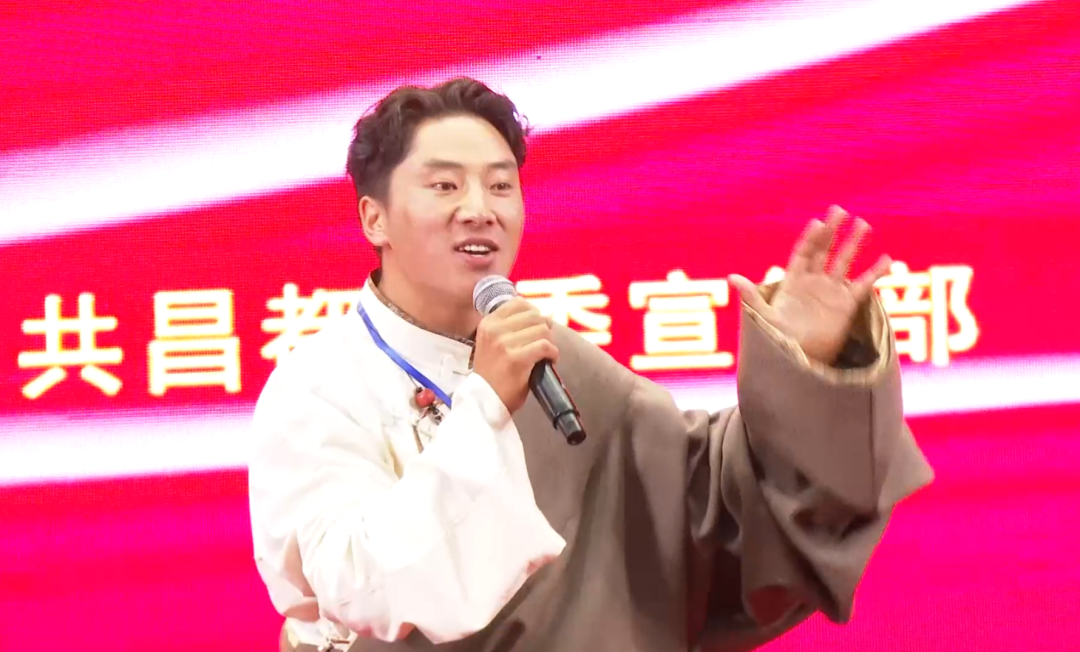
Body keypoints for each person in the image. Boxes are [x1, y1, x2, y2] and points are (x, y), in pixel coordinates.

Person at [248, 77, 933, 652]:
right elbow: (362, 585)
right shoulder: (319, 385)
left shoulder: (555, 360)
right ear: (374, 220)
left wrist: (805, 370)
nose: (479, 211)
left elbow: (696, 501)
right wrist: (485, 403)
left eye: (501, 186)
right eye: (445, 186)